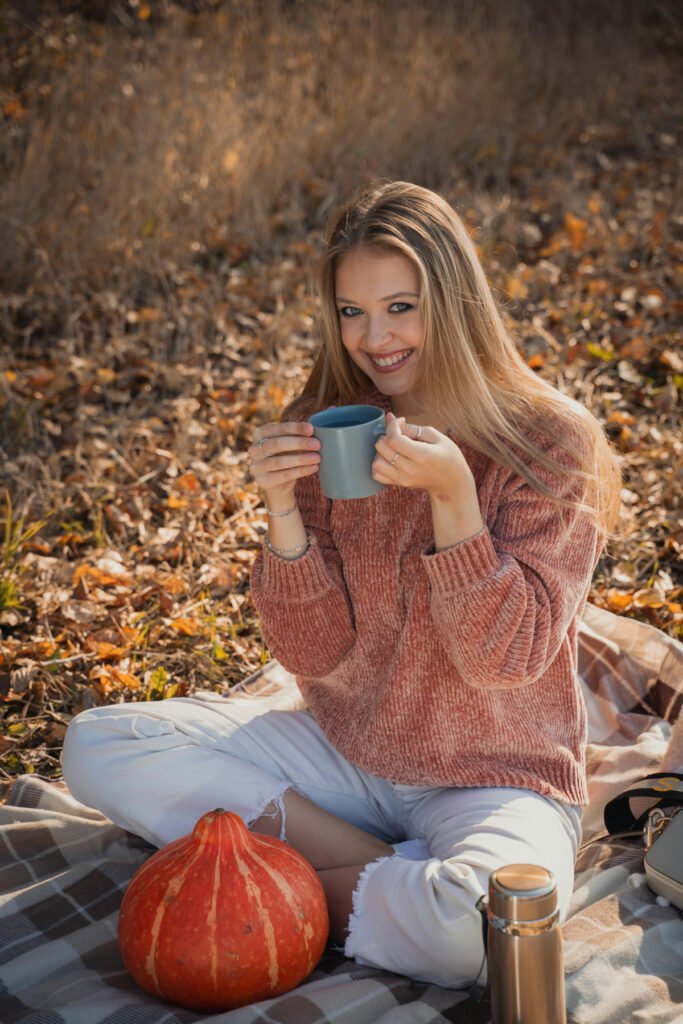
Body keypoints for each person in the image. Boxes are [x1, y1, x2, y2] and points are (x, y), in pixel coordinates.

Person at [62, 180, 621, 989]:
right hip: (347, 755)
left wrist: (453, 498)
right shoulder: (329, 423)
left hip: (496, 772)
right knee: (98, 744)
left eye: (401, 307)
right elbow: (311, 655)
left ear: (454, 303)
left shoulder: (547, 442)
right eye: (351, 311)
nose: (374, 338)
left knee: (480, 936)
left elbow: (503, 660)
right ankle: (367, 868)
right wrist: (283, 512)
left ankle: (290, 888)